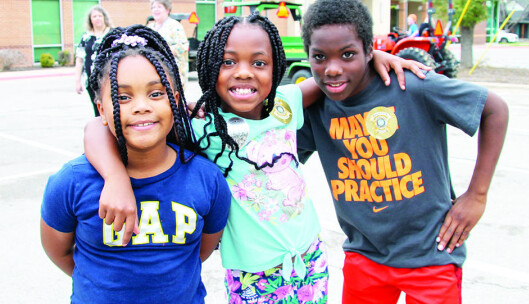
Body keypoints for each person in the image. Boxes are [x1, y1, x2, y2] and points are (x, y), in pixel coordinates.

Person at [83, 13, 428, 303]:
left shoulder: (286, 103)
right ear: (209, 68)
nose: (244, 72)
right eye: (228, 61)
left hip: (310, 261)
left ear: (275, 68)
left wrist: (374, 58)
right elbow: (97, 129)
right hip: (253, 275)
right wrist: (115, 178)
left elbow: (331, 77)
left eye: (259, 63)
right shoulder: (201, 124)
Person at [297, 0, 509, 303]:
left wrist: (477, 194)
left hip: (431, 255)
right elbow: (271, 144)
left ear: (369, 49)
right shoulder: (316, 109)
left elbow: (495, 110)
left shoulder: (411, 85)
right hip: (365, 255)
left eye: (348, 54)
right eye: (319, 57)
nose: (333, 68)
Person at [40, 25, 231, 303]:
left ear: (175, 101)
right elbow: (59, 252)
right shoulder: (72, 182)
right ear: (101, 109)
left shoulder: (207, 180)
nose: (141, 106)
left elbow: (199, 253)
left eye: (156, 94)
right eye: (122, 97)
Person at [75, 5, 113, 116]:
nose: (97, 18)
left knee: (109, 106)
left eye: (99, 16)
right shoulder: (86, 37)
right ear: (90, 20)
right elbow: (80, 59)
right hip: (91, 80)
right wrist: (77, 80)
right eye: (94, 16)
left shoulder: (111, 34)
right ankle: (100, 131)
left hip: (108, 78)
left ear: (104, 17)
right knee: (97, 108)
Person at [147, 0, 189, 86]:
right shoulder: (149, 28)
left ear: (167, 9)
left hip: (171, 70)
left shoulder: (175, 26)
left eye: (159, 7)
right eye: (153, 7)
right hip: (153, 69)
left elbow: (183, 47)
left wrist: (162, 50)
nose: (156, 10)